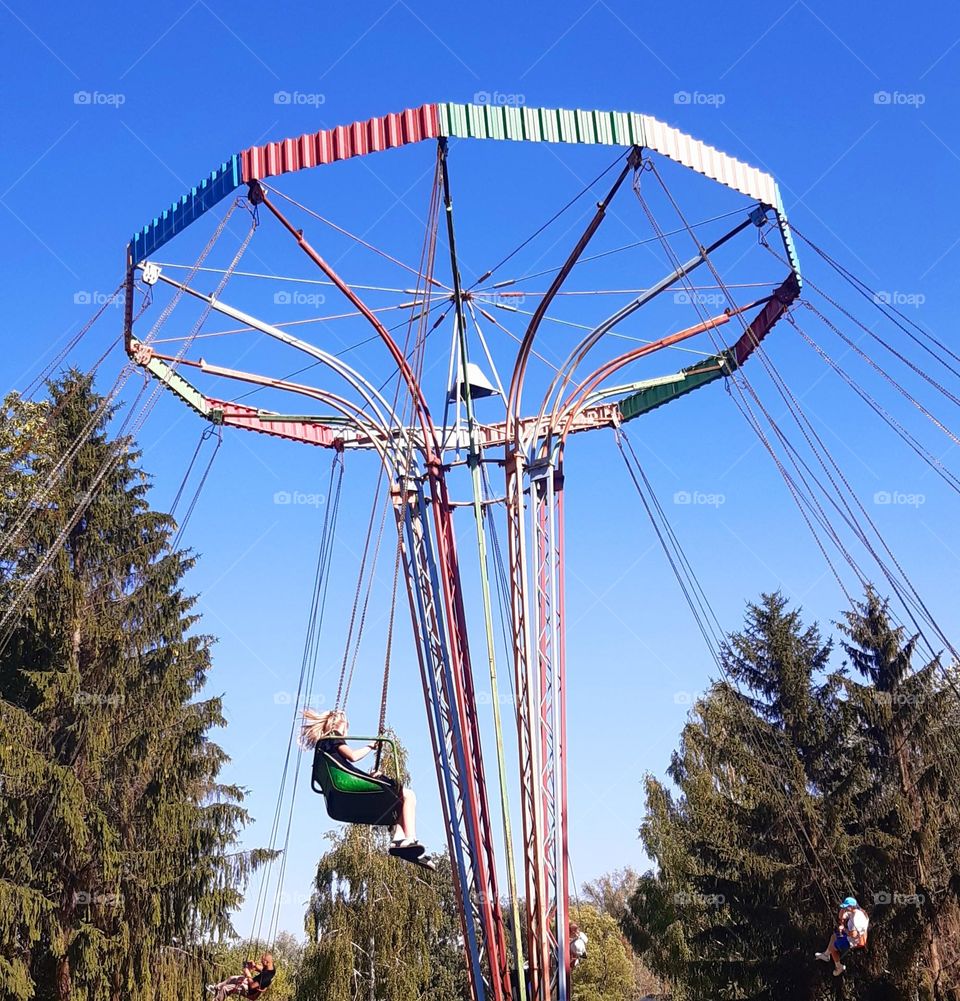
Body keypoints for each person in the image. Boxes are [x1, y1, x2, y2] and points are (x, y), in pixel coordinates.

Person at [300, 708, 430, 863]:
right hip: (348, 783)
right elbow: (353, 757)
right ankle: (410, 837)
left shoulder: (324, 745)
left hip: (339, 794)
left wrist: (369, 777)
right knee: (408, 795)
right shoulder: (334, 736)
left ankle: (399, 839)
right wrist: (371, 746)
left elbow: (345, 767)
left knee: (398, 801)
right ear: (343, 725)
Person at [815, 897, 869, 977]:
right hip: (852, 937)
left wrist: (844, 929)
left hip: (855, 941)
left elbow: (853, 934)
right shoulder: (855, 911)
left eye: (847, 907)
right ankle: (826, 955)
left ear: (852, 906)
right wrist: (843, 911)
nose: (846, 909)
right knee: (834, 936)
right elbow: (842, 916)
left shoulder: (856, 918)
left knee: (833, 948)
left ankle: (839, 966)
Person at [206, 954, 275, 999]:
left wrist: (248, 975)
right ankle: (216, 988)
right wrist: (254, 966)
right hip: (249, 985)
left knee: (225, 988)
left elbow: (252, 986)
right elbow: (262, 969)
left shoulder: (266, 977)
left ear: (267, 962)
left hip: (250, 992)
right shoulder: (271, 968)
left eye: (262, 962)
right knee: (232, 978)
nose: (261, 964)